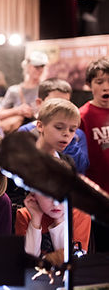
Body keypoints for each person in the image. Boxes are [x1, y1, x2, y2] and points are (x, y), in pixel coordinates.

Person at [15, 98, 91, 257]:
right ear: (40, 125)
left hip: (62, 221)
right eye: (59, 127)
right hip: (30, 222)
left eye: (72, 130)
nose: (66, 134)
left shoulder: (67, 161)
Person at [19, 78, 89, 174]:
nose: (63, 109)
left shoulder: (76, 136)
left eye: (72, 129)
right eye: (59, 127)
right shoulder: (25, 133)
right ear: (39, 103)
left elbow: (81, 168)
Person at [79, 57, 109, 253]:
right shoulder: (82, 116)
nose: (106, 87)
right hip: (97, 197)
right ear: (89, 85)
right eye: (99, 82)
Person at [0, 50, 48, 133]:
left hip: (39, 133)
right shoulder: (14, 90)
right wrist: (18, 110)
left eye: (42, 66)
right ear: (28, 67)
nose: (39, 70)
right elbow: (0, 114)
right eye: (36, 66)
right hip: (19, 135)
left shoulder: (46, 88)